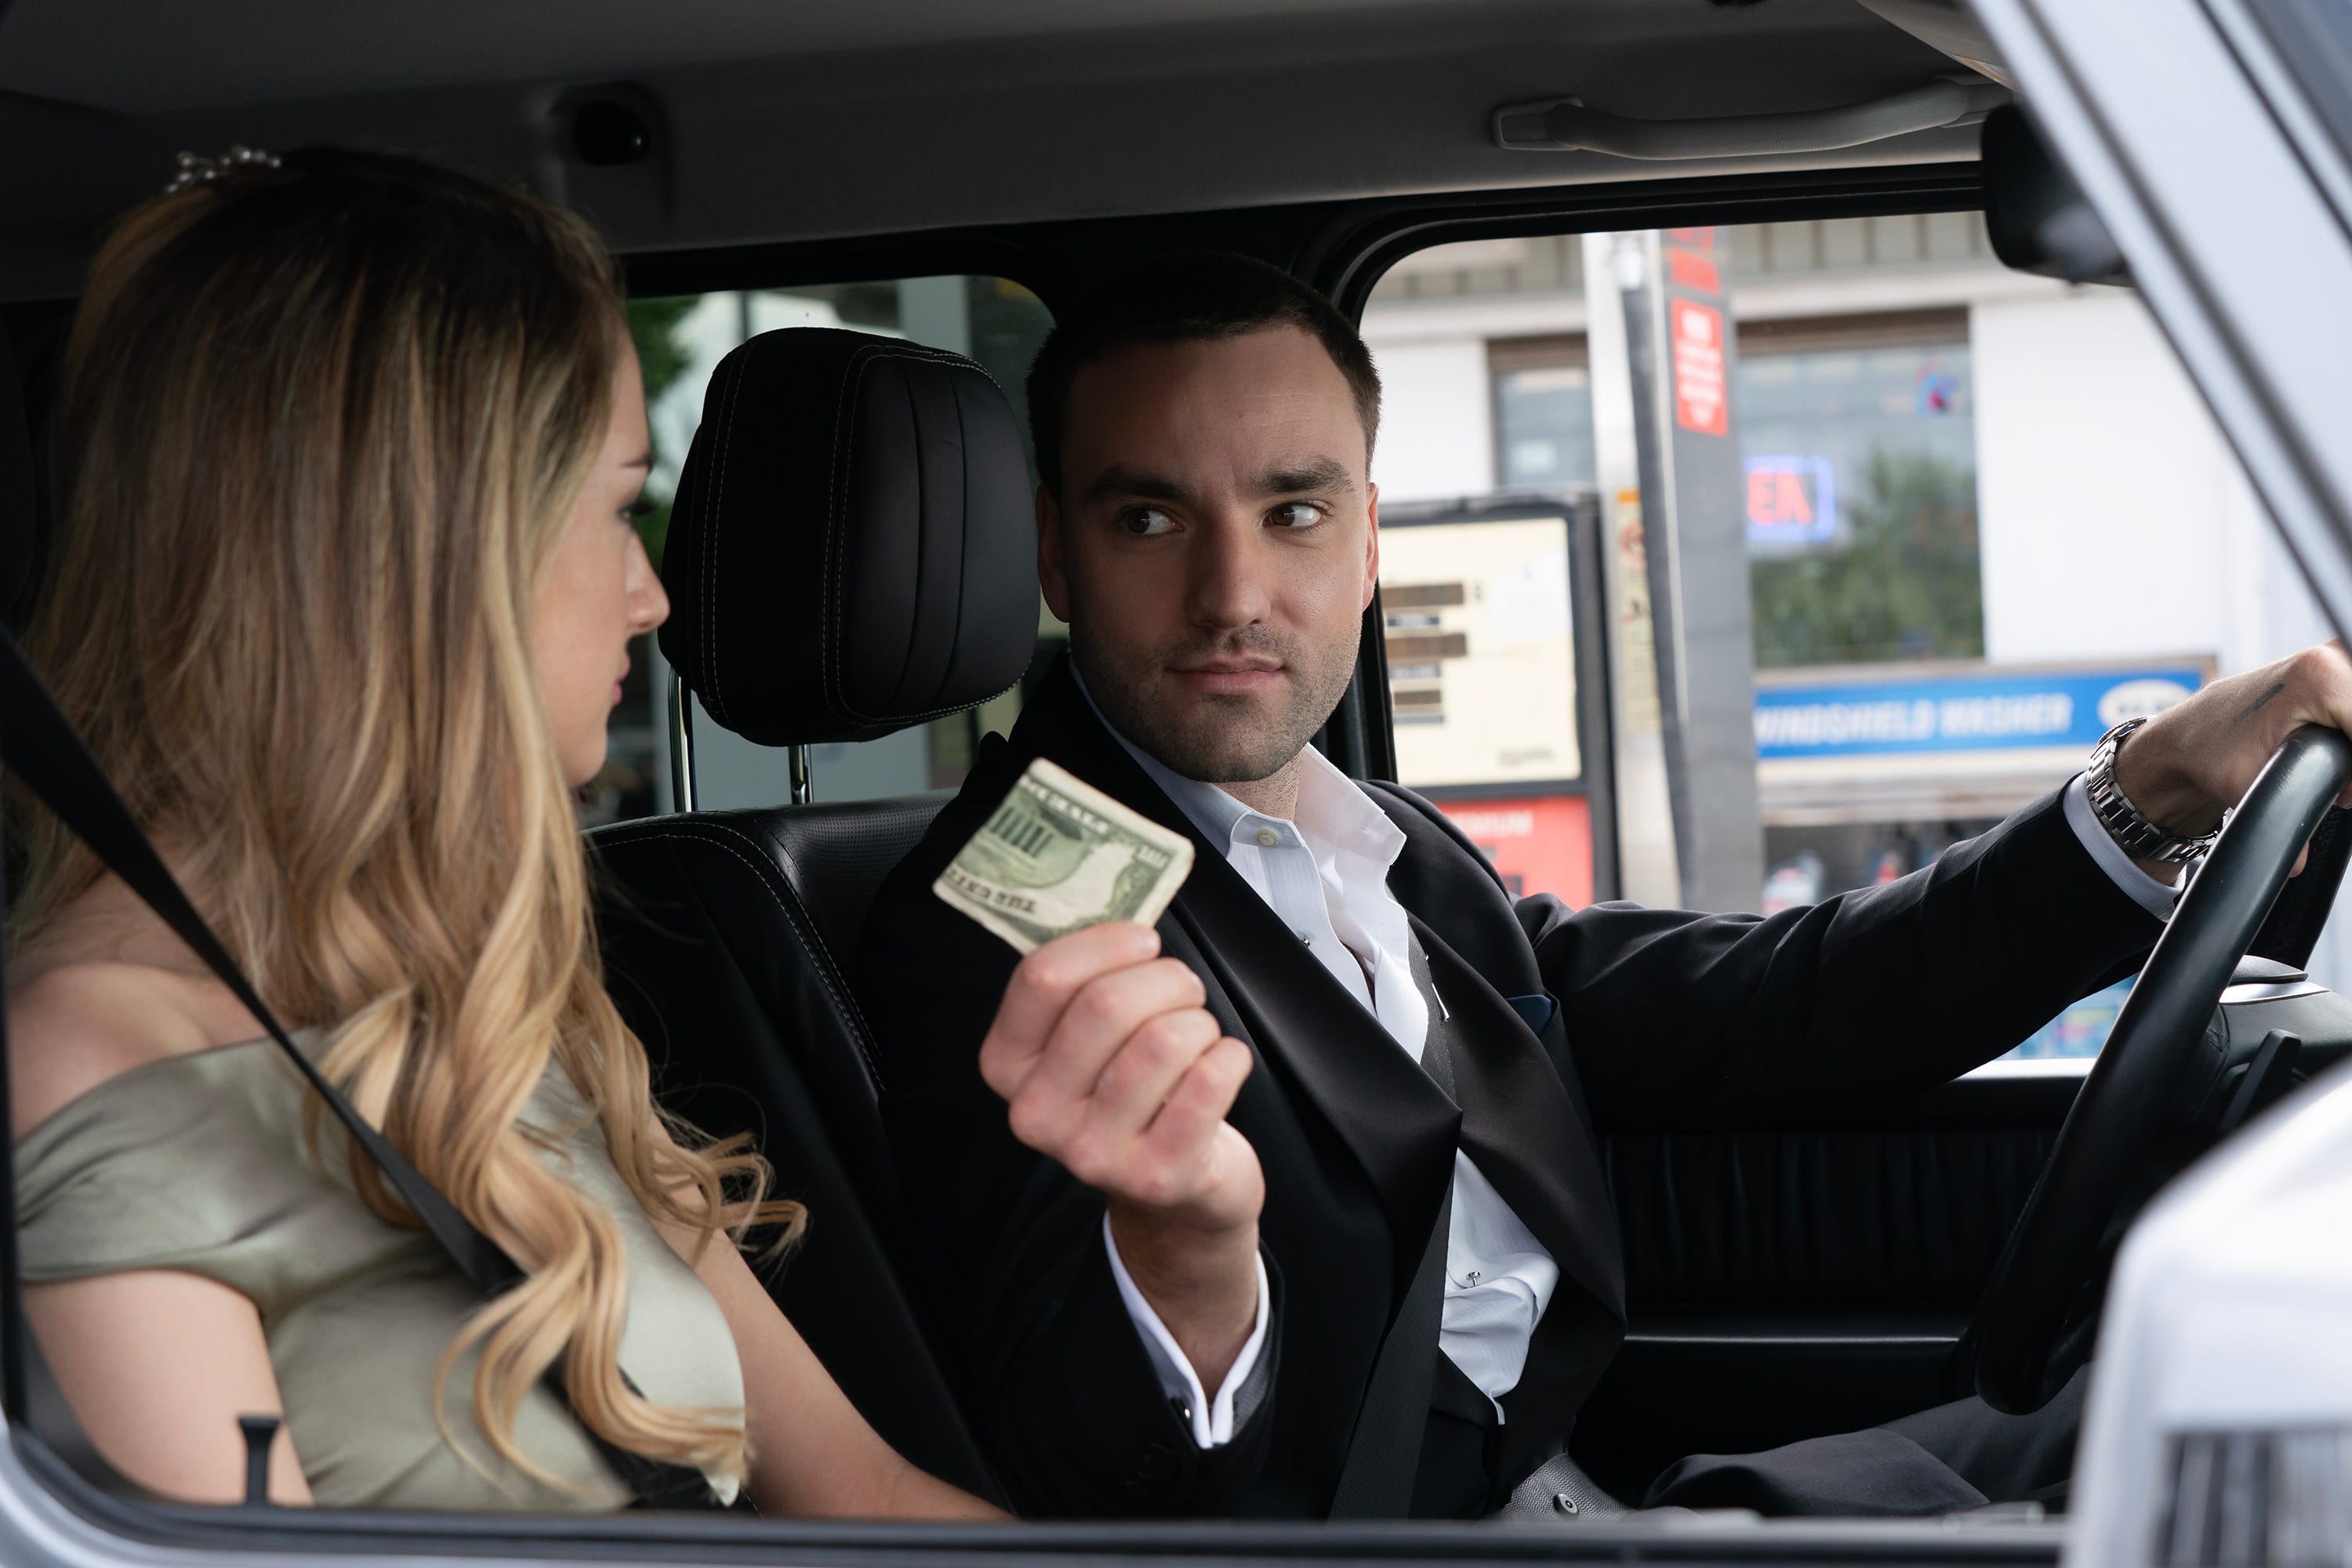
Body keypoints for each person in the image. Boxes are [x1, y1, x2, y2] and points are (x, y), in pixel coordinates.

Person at [857, 251, 2352, 1519]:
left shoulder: (1379, 846)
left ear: (1370, 540)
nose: (1233, 594)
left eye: (1294, 511)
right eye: (1150, 519)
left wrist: (2153, 784)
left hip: (1586, 1491)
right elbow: (1083, 1476)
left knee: (2180, 1420)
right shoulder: (1011, 919)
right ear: (1057, 556)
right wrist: (1189, 1269)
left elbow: (1784, 1006)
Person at [3, 148, 1006, 1519]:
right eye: (616, 507)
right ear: (425, 555)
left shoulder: (494, 996)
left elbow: (863, 1494)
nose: (650, 596)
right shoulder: (95, 1057)